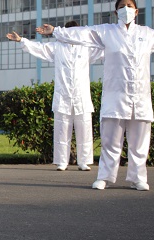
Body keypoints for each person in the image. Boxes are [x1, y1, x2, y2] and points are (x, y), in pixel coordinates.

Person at [38, 0, 154, 191]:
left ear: (136, 11)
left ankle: (138, 178)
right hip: (114, 96)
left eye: (129, 6)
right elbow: (82, 34)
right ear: (116, 12)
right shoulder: (107, 32)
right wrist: (56, 31)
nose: (126, 9)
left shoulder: (146, 34)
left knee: (139, 142)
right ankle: (105, 177)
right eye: (122, 6)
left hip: (140, 97)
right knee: (110, 141)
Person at [7, 21, 103, 171]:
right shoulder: (57, 47)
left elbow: (104, 48)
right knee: (61, 130)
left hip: (82, 96)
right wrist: (21, 40)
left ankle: (83, 161)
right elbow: (39, 48)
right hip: (63, 95)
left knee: (84, 129)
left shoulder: (86, 48)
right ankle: (62, 161)